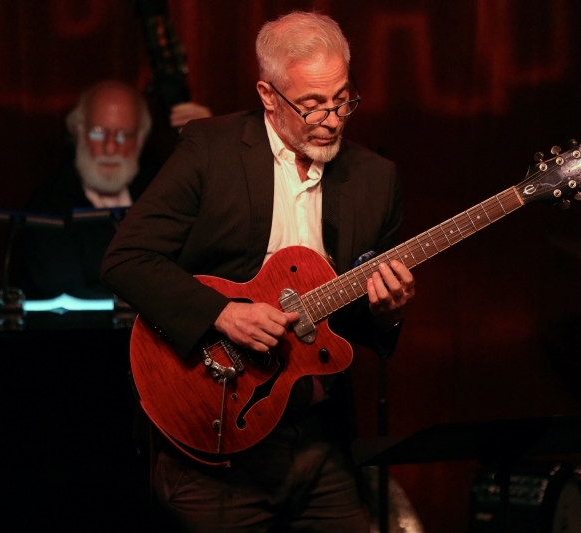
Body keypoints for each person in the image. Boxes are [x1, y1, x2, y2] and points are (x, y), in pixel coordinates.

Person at [101, 11, 415, 532]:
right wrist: (221, 314)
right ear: (269, 95)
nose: (333, 119)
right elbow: (125, 260)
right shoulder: (210, 151)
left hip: (319, 441)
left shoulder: (375, 180)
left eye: (343, 99)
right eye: (313, 105)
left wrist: (386, 313)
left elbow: (355, 329)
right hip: (213, 436)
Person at [16, 81, 211, 299]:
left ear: (139, 140)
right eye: (98, 132)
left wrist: (209, 146)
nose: (110, 146)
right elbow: (61, 292)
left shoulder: (162, 195)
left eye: (123, 134)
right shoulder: (47, 206)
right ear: (79, 132)